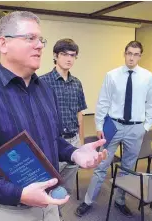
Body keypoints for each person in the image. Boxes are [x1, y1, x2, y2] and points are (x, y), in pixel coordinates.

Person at [0, 11, 107, 221]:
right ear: (3, 44)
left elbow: (51, 140)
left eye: (40, 39)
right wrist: (19, 194)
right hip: (6, 210)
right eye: (30, 38)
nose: (40, 45)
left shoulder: (45, 90)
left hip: (49, 205)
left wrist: (74, 153)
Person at [75, 40, 152, 218]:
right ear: (125, 53)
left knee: (128, 167)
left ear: (140, 56)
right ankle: (88, 201)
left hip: (135, 128)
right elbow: (103, 101)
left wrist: (144, 127)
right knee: (101, 165)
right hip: (113, 126)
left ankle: (120, 200)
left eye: (136, 54)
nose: (132, 57)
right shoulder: (112, 75)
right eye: (129, 53)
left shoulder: (148, 77)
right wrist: (99, 125)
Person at [40, 39, 86, 218]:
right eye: (64, 54)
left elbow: (79, 113)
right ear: (55, 56)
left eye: (72, 55)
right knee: (48, 183)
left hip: (73, 140)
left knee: (64, 185)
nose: (69, 59)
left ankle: (55, 212)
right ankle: (47, 214)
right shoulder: (43, 82)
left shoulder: (76, 83)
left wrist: (80, 142)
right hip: (53, 142)